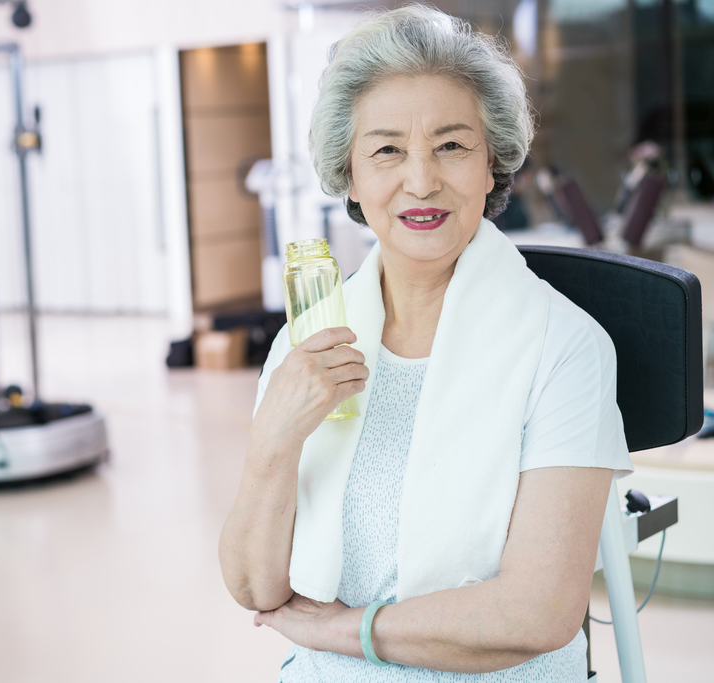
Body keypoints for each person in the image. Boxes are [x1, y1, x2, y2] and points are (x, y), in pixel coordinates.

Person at [218, 6, 633, 682]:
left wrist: (342, 630)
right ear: (349, 175)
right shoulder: (313, 339)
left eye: (451, 145)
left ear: (492, 165)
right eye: (386, 149)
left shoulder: (564, 347)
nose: (420, 180)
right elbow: (255, 588)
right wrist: (273, 443)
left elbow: (538, 613)